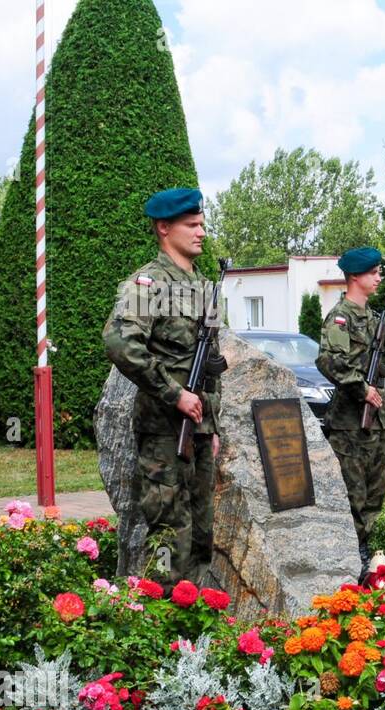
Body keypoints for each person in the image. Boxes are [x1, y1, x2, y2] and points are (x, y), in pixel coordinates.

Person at [103, 187, 226, 592]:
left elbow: (211, 367)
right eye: (191, 225)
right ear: (163, 228)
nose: (201, 232)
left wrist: (214, 425)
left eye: (202, 224)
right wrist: (174, 394)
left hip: (200, 430)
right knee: (169, 534)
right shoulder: (148, 283)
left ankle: (195, 624)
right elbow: (120, 342)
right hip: (163, 433)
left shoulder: (203, 286)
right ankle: (164, 621)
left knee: (203, 533)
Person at [316, 246, 385, 576]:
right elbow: (330, 361)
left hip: (374, 422)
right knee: (352, 494)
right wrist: (363, 389)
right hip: (348, 425)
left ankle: (367, 553)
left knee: (374, 492)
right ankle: (353, 557)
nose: (378, 277)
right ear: (355, 277)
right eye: (373, 273)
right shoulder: (340, 318)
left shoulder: (374, 318)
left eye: (378, 272)